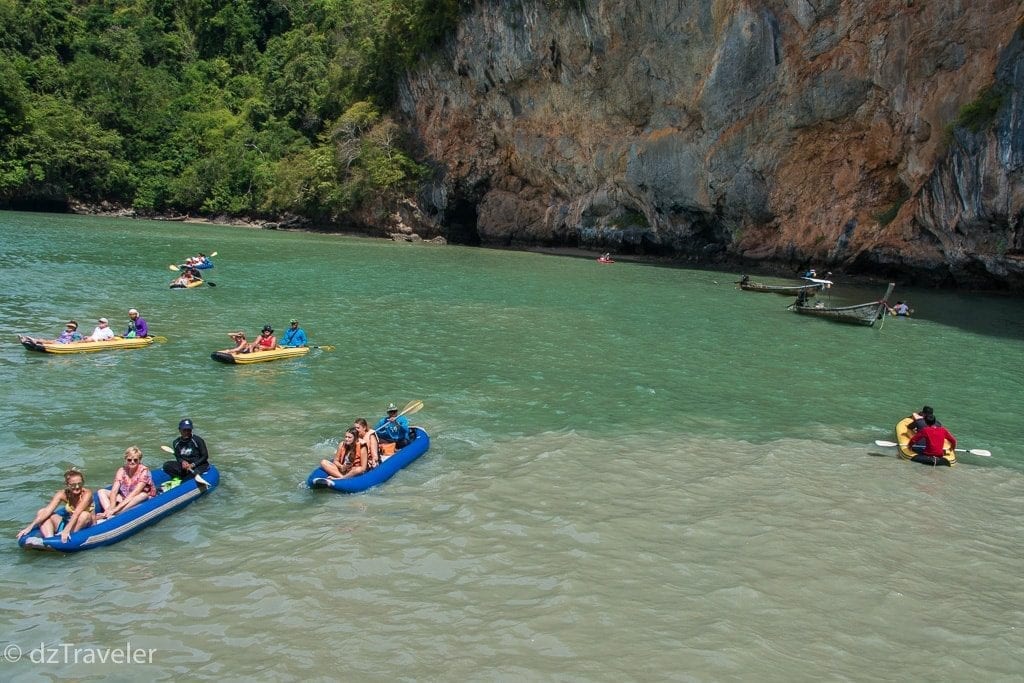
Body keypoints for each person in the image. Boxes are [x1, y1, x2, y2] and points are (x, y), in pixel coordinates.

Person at [16, 468, 94, 543]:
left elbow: (77, 513)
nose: (77, 487)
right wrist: (29, 527)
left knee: (84, 514)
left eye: (79, 484)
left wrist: (66, 530)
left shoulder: (87, 493)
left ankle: (70, 537)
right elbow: (47, 511)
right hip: (70, 523)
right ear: (67, 484)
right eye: (73, 485)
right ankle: (50, 540)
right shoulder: (62, 494)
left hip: (86, 525)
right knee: (42, 511)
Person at [97, 446, 156, 520]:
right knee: (101, 491)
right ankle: (107, 513)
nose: (132, 462)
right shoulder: (122, 470)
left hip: (139, 497)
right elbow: (114, 490)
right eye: (129, 460)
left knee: (143, 495)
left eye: (135, 460)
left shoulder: (144, 471)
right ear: (126, 459)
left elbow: (135, 492)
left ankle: (118, 513)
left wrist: (116, 509)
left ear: (139, 460)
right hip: (125, 496)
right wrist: (111, 507)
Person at [162, 418, 210, 485]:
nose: (187, 432)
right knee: (166, 465)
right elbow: (178, 457)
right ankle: (181, 476)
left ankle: (184, 482)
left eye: (189, 430)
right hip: (186, 467)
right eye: (184, 430)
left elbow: (205, 456)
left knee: (191, 475)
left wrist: (193, 465)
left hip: (199, 465)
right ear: (180, 430)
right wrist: (182, 462)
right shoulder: (176, 443)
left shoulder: (198, 440)